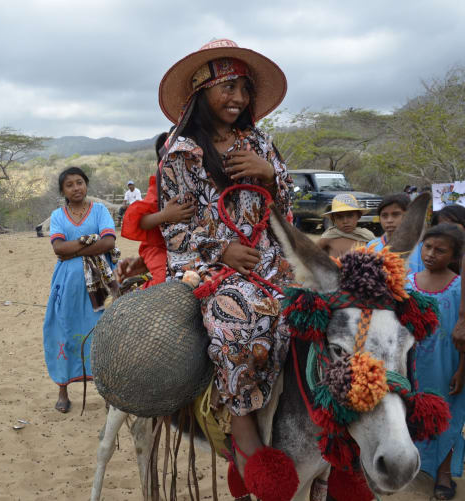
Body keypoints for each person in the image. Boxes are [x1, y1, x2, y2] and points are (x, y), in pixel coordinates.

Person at [157, 39, 298, 499]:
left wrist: (270, 174)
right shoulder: (180, 153)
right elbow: (176, 231)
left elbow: (288, 212)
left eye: (243, 89)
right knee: (235, 320)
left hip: (271, 257)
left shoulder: (259, 142)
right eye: (226, 87)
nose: (237, 97)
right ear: (202, 92)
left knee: (314, 312)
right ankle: (242, 425)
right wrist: (223, 251)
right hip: (210, 264)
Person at [43, 167, 117, 413]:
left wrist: (75, 250)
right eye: (70, 185)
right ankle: (63, 392)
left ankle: (107, 391)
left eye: (80, 182)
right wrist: (89, 243)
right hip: (68, 285)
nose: (76, 188)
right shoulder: (58, 216)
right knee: (63, 330)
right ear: (63, 191)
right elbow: (58, 249)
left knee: (101, 333)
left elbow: (108, 242)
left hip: (100, 285)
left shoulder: (100, 210)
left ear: (86, 184)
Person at [407, 224, 465, 500]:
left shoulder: (459, 289)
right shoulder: (408, 282)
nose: (430, 254)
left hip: (446, 368)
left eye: (440, 250)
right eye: (427, 247)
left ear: (454, 256)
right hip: (412, 368)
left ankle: (443, 472)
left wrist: (461, 370)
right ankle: (411, 467)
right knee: (410, 414)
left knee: (444, 416)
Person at [118, 133, 195, 287]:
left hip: (184, 246)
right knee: (163, 281)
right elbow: (141, 220)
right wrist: (165, 215)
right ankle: (137, 294)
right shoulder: (159, 186)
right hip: (157, 247)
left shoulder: (194, 182)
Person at [317, 193, 375, 258]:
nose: (345, 221)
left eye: (350, 216)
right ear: (333, 219)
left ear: (358, 216)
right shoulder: (327, 238)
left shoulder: (367, 237)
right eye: (339, 217)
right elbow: (313, 258)